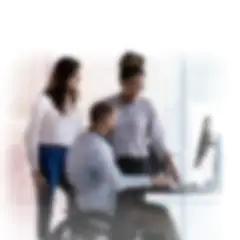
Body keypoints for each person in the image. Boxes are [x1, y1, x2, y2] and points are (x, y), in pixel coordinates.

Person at [66, 101, 175, 239]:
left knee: (148, 213)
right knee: (161, 215)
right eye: (113, 119)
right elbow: (118, 182)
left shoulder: (80, 141)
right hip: (104, 210)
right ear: (105, 120)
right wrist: (152, 180)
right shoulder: (98, 147)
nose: (115, 124)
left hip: (85, 203)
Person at [24, 56, 82, 240]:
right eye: (76, 76)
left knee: (77, 193)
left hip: (68, 154)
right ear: (65, 76)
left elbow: (76, 131)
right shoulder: (44, 101)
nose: (79, 80)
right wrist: (35, 169)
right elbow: (30, 135)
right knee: (45, 206)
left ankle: (67, 234)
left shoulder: (73, 102)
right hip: (48, 155)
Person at [104, 51, 179, 180]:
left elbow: (158, 139)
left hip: (140, 163)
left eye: (140, 86)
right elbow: (99, 137)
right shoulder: (109, 105)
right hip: (115, 163)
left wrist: (172, 167)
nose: (137, 90)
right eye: (133, 85)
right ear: (123, 83)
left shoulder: (146, 106)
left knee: (136, 199)